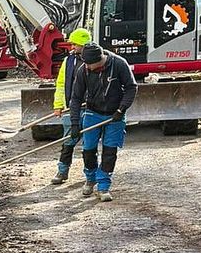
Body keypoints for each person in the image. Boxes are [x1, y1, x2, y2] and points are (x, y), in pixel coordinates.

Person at [68, 43, 137, 202]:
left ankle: (103, 186)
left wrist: (121, 110)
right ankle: (90, 178)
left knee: (110, 151)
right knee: (89, 149)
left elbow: (131, 88)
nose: (87, 67)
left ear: (100, 60)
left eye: (90, 64)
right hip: (93, 113)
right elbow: (76, 98)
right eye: (85, 63)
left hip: (115, 115)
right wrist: (74, 123)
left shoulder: (119, 64)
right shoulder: (83, 70)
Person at [50, 28, 92, 185]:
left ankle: (90, 176)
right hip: (71, 107)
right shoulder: (68, 61)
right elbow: (61, 84)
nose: (72, 47)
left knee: (89, 145)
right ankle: (62, 171)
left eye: (75, 44)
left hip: (90, 109)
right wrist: (58, 105)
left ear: (83, 45)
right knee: (68, 140)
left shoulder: (95, 60)